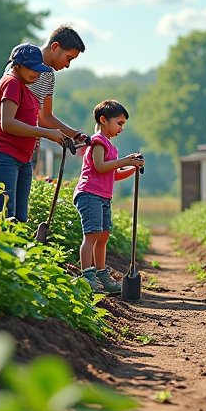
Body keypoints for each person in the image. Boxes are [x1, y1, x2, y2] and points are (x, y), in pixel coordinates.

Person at [0, 44, 70, 221]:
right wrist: (45, 133)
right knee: (4, 215)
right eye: (32, 69)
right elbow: (6, 123)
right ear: (18, 65)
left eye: (39, 70)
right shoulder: (11, 83)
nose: (36, 74)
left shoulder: (24, 87)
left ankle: (15, 249)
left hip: (22, 157)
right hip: (4, 154)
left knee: (20, 218)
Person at [73, 100, 144, 294]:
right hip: (89, 194)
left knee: (103, 236)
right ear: (103, 120)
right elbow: (100, 167)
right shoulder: (97, 141)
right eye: (119, 123)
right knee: (92, 234)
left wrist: (132, 166)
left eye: (123, 125)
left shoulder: (111, 147)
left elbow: (114, 174)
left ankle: (101, 274)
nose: (121, 128)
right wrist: (126, 161)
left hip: (103, 196)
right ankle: (87, 276)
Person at [27, 26, 91, 157]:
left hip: (30, 146)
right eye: (69, 58)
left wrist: (75, 135)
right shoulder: (22, 64)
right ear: (55, 46)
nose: (68, 65)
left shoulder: (49, 76)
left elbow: (45, 117)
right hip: (10, 144)